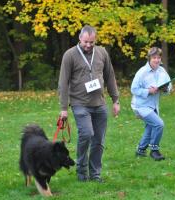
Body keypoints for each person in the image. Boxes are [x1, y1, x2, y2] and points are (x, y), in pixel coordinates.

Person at [58, 25, 120, 182]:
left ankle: (95, 174)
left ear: (95, 40)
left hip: (99, 104)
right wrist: (64, 108)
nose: (88, 45)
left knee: (98, 141)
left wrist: (115, 99)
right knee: (86, 133)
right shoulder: (70, 55)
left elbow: (110, 76)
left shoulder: (102, 53)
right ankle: (81, 169)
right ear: (80, 38)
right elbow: (63, 82)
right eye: (86, 41)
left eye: (92, 42)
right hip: (80, 103)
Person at [131, 47, 172, 161]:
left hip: (153, 105)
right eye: (154, 57)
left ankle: (140, 150)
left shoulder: (162, 71)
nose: (157, 60)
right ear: (149, 58)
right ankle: (154, 151)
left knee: (150, 127)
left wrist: (165, 89)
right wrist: (148, 91)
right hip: (140, 106)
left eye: (159, 57)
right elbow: (134, 89)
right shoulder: (142, 72)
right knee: (159, 124)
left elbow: (169, 86)